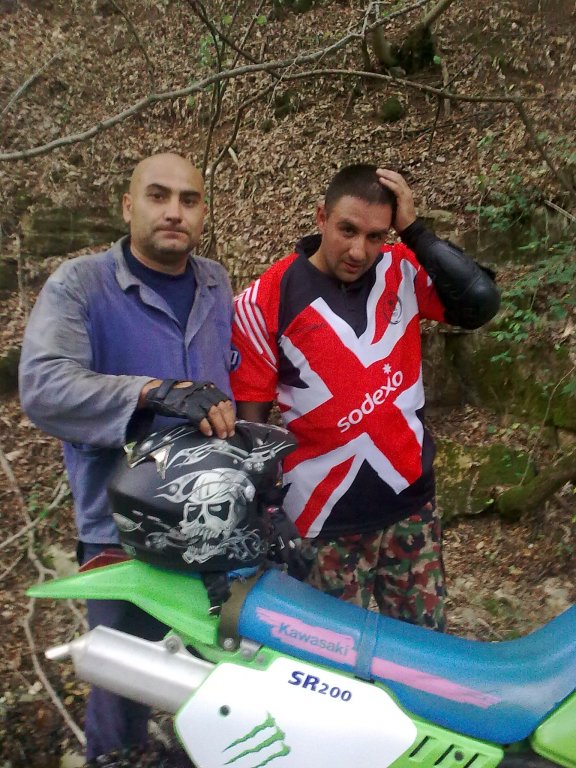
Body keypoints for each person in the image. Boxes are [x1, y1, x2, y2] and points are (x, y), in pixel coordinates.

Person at [19, 153, 237, 765]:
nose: (174, 212)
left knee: (221, 693)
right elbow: (44, 386)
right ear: (127, 206)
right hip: (123, 536)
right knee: (123, 694)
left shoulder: (216, 283)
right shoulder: (81, 286)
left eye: (189, 200)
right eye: (158, 196)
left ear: (203, 211)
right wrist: (151, 392)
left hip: (214, 529)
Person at [230, 164, 500, 633]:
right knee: (328, 664)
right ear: (321, 217)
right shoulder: (263, 300)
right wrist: (264, 517)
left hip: (410, 508)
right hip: (321, 523)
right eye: (347, 230)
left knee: (422, 654)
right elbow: (249, 427)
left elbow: (480, 302)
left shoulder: (401, 269)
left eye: (376, 236)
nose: (359, 251)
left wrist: (415, 232)